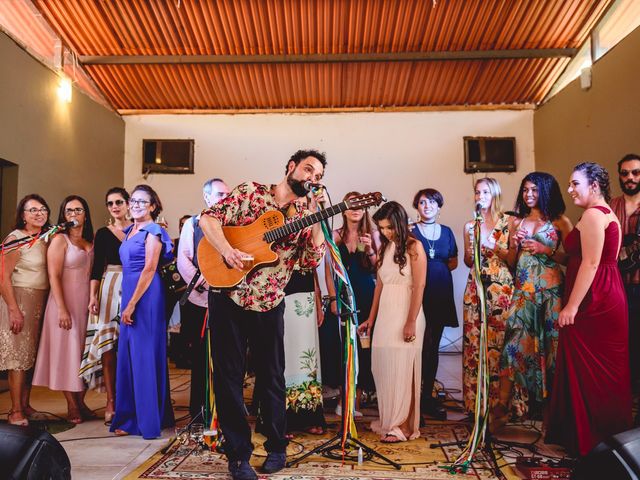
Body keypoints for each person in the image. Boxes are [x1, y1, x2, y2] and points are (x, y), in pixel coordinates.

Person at [200, 149, 326, 480]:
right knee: (228, 378)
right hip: (228, 296)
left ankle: (276, 447)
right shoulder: (250, 192)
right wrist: (227, 251)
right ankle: (238, 455)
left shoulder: (304, 214)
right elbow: (207, 219)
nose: (312, 178)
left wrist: (318, 218)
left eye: (318, 175)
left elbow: (310, 261)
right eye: (308, 169)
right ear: (291, 167)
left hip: (270, 302)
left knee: (272, 377)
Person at [546, 162, 632, 456]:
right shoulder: (605, 213)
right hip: (605, 292)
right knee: (592, 371)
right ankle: (594, 438)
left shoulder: (595, 215)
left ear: (594, 185)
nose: (569, 190)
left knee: (591, 371)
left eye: (575, 184)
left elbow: (592, 262)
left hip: (595, 300)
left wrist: (571, 306)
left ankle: (593, 440)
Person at [493, 173, 572, 429]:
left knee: (551, 352)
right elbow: (513, 263)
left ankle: (551, 415)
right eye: (525, 190)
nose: (528, 195)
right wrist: (514, 247)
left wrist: (546, 250)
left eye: (534, 190)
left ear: (546, 192)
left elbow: (573, 259)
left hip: (550, 294)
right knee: (512, 347)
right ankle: (501, 408)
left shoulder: (560, 222)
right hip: (523, 293)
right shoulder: (518, 222)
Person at [358, 201, 426, 443]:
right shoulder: (386, 248)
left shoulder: (414, 247)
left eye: (389, 227)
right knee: (384, 365)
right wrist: (370, 318)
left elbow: (419, 286)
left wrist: (411, 321)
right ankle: (390, 419)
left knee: (404, 368)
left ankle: (405, 426)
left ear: (399, 223)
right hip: (386, 312)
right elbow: (379, 285)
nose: (385, 232)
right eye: (382, 228)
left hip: (407, 311)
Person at [110, 185, 175, 439]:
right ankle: (131, 416)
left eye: (142, 201)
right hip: (130, 290)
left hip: (145, 295)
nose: (135, 204)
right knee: (129, 354)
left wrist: (132, 303)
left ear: (152, 206)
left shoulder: (154, 231)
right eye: (133, 200)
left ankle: (146, 420)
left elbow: (149, 269)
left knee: (143, 354)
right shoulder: (129, 231)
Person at [33, 195, 94, 424]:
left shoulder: (91, 240)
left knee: (83, 353)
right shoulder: (59, 239)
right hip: (64, 302)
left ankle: (81, 401)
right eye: (69, 211)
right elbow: (53, 275)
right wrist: (62, 309)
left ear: (85, 214)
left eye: (78, 210)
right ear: (63, 215)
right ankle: (71, 404)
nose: (74, 214)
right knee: (67, 354)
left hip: (87, 304)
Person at [322, 191, 379, 417]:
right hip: (344, 294)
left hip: (366, 293)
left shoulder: (372, 234)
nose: (355, 209)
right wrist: (333, 297)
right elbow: (328, 271)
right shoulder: (335, 235)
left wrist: (372, 250)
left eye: (359, 205)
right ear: (343, 209)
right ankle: (343, 399)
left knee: (364, 349)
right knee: (344, 346)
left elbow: (378, 269)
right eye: (351, 205)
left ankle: (357, 401)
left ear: (365, 209)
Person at [177, 177, 230, 419]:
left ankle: (225, 410)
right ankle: (199, 411)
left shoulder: (233, 223)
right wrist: (204, 283)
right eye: (219, 195)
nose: (224, 199)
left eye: (227, 195)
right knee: (200, 358)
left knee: (226, 359)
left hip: (227, 301)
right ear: (207, 197)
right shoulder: (193, 224)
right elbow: (183, 260)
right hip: (200, 300)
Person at [462, 178, 513, 414]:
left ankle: (500, 406)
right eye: (476, 191)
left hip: (500, 289)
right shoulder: (470, 226)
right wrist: (473, 251)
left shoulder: (509, 222)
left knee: (499, 343)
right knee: (476, 344)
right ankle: (477, 405)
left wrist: (495, 248)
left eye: (485, 191)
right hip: (476, 288)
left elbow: (513, 259)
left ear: (494, 194)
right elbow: (467, 261)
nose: (480, 195)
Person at [80, 187, 131, 424]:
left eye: (119, 201)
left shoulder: (139, 229)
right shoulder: (102, 233)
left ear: (129, 203)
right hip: (110, 286)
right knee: (109, 346)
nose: (115, 207)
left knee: (130, 347)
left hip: (134, 284)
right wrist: (93, 296)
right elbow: (96, 267)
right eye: (110, 203)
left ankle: (130, 400)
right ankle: (111, 401)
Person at [0, 194, 51, 426]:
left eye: (42, 209)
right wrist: (13, 309)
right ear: (22, 215)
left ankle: (26, 404)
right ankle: (15, 410)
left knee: (31, 355)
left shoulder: (46, 238)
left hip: (40, 300)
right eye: (32, 210)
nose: (39, 213)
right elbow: (3, 276)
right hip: (19, 298)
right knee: (18, 356)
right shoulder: (15, 238)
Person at [411, 188, 458, 421]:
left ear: (439, 206)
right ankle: (412, 396)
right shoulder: (410, 231)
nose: (427, 206)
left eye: (431, 202)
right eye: (421, 202)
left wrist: (436, 272)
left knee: (433, 345)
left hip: (440, 291)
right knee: (417, 343)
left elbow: (453, 261)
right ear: (416, 206)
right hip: (417, 292)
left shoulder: (447, 232)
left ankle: (427, 395)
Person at [610, 154, 640, 403]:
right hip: (617, 285)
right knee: (622, 341)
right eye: (625, 173)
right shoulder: (611, 205)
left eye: (636, 173)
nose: (630, 178)